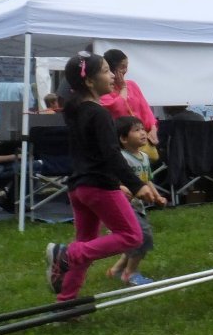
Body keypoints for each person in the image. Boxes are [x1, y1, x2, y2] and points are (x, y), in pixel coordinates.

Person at [45, 53, 151, 302]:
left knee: (87, 244)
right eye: (106, 71)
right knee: (132, 236)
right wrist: (137, 185)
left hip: (79, 187)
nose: (113, 75)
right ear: (90, 82)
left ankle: (66, 302)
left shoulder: (76, 110)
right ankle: (68, 254)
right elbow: (112, 154)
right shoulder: (99, 114)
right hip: (99, 187)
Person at [106, 115, 167, 286]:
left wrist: (156, 196)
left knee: (135, 240)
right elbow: (111, 179)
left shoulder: (144, 157)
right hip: (123, 206)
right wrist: (121, 187)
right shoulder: (121, 158)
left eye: (143, 129)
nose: (143, 133)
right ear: (123, 139)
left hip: (138, 206)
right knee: (143, 237)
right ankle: (130, 273)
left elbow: (146, 181)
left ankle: (117, 270)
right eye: (136, 130)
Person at [100, 49, 160, 161]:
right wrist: (123, 88)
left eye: (126, 66)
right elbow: (117, 108)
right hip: (120, 142)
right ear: (111, 68)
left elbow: (146, 109)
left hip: (139, 141)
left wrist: (153, 128)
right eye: (122, 67)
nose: (125, 70)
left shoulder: (132, 85)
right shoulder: (104, 89)